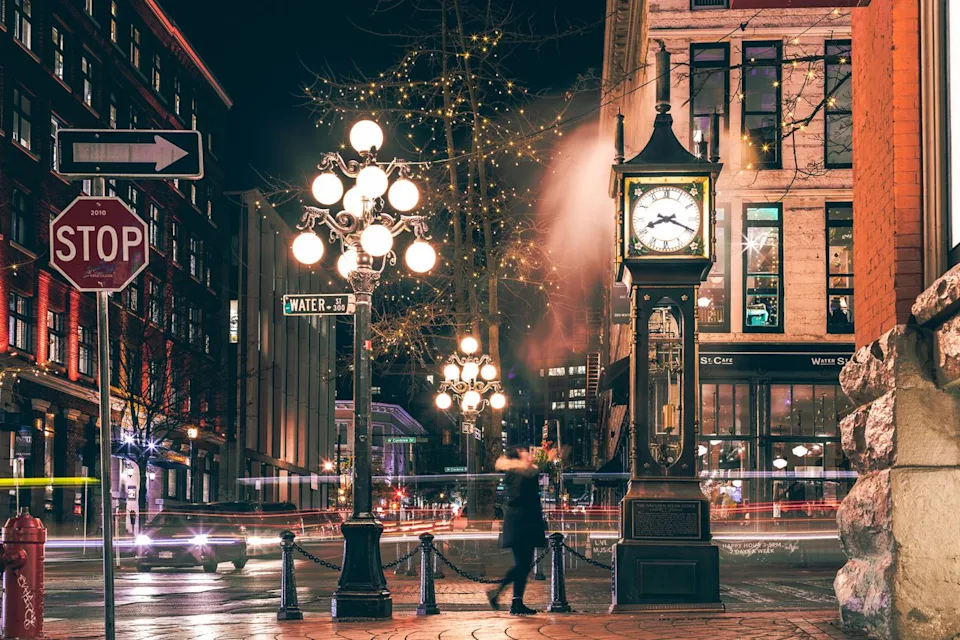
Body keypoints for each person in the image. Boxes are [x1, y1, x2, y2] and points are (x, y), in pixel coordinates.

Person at [486, 446, 549, 615]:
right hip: (522, 524)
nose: (528, 454)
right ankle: (505, 596)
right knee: (523, 564)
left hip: (521, 523)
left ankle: (512, 599)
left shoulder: (520, 473)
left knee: (523, 564)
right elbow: (523, 497)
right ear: (518, 458)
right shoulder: (520, 474)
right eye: (524, 452)